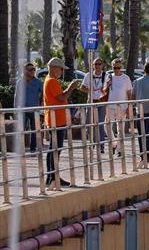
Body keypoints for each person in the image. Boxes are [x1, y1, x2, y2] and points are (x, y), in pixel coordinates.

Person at [43, 57, 80, 187]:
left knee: (54, 148)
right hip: (56, 120)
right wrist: (71, 87)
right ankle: (52, 177)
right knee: (55, 148)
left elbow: (60, 97)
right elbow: (62, 97)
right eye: (60, 69)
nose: (61, 71)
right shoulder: (52, 81)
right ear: (53, 68)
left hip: (56, 119)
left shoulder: (51, 81)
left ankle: (52, 177)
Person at [104, 58, 133, 156]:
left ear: (121, 67)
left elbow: (129, 92)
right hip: (110, 106)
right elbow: (104, 91)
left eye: (118, 67)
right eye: (115, 67)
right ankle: (114, 144)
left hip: (122, 106)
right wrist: (107, 85)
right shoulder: (109, 77)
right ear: (112, 67)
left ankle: (120, 150)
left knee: (120, 129)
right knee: (106, 126)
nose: (116, 69)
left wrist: (129, 106)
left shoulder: (126, 78)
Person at [14, 62, 43, 153]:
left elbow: (43, 94)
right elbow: (16, 96)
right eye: (30, 70)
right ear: (25, 71)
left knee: (34, 130)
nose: (32, 71)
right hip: (22, 110)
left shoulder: (38, 82)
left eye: (33, 69)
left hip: (35, 110)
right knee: (21, 130)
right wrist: (15, 109)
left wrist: (42, 107)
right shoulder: (20, 82)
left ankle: (33, 149)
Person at [81, 57, 108, 150]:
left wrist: (104, 90)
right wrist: (89, 89)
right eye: (95, 64)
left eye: (99, 64)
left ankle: (101, 145)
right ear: (92, 65)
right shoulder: (88, 75)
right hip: (91, 101)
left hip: (101, 102)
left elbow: (109, 89)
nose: (97, 66)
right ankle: (91, 143)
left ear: (102, 65)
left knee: (100, 123)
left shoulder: (106, 75)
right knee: (89, 123)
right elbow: (82, 87)